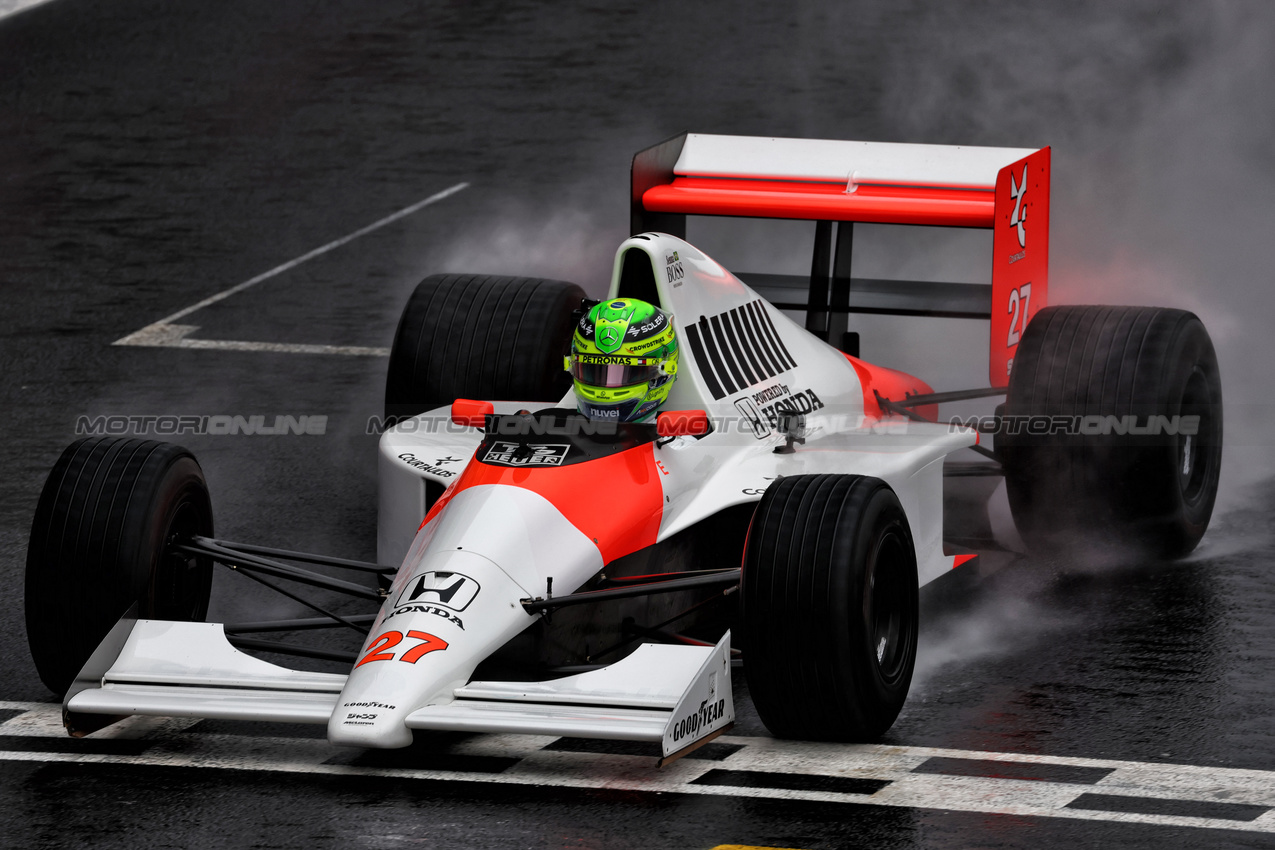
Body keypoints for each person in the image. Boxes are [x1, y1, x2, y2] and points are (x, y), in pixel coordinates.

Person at [565, 298, 679, 422]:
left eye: (631, 372)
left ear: (665, 370)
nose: (605, 391)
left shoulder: (685, 441)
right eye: (591, 371)